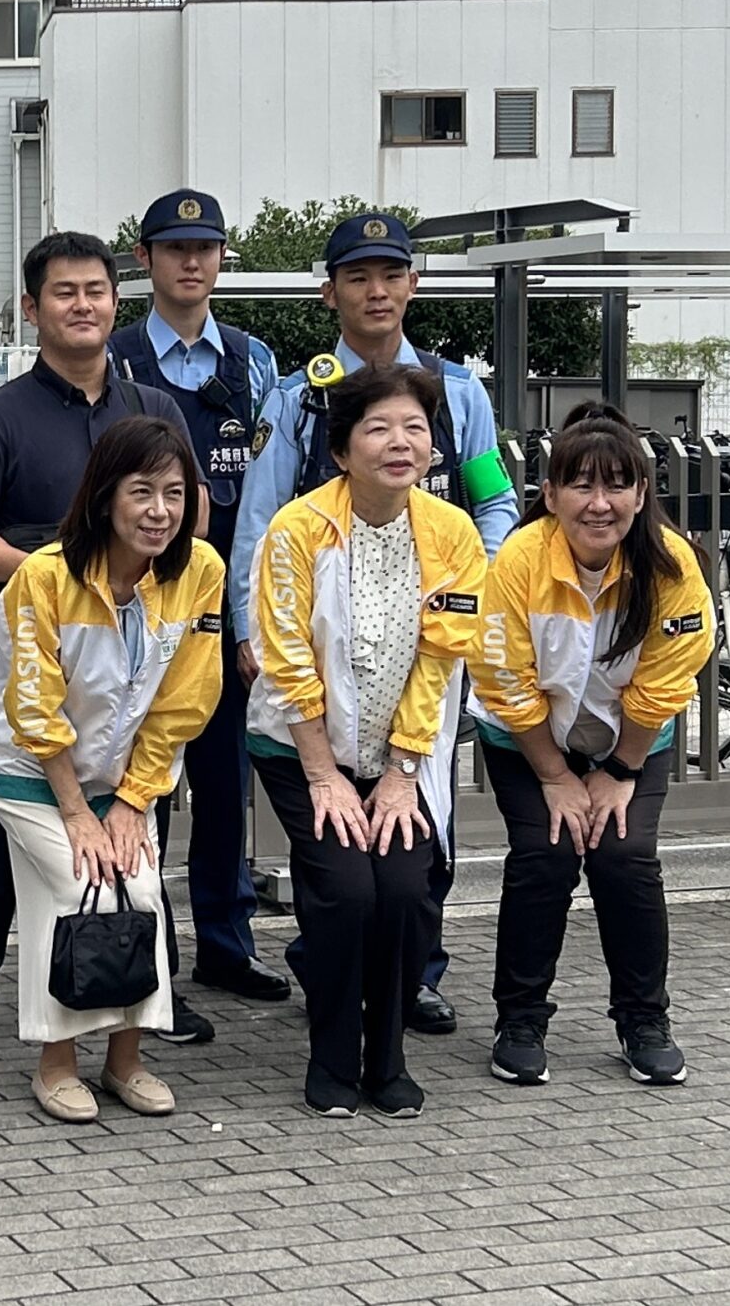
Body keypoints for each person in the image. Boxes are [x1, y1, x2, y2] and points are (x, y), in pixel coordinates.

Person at [230, 210, 519, 1037]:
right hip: (321, 641)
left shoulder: (458, 393)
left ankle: (415, 972)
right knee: (332, 828)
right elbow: (260, 522)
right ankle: (329, 961)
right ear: (332, 293)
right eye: (358, 277)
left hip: (427, 643)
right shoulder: (298, 397)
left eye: (391, 274)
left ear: (412, 286)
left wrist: (468, 579)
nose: (377, 291)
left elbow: (493, 496)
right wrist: (251, 632)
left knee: (421, 821)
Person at [0, 232, 192, 1064]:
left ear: (118, 303)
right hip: (39, 649)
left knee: (138, 826)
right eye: (65, 292)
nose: (84, 305)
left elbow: (190, 514)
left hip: (135, 648)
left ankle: (148, 995)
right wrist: (55, 580)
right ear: (34, 309)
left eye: (98, 291)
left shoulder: (154, 406)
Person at [244, 365, 487, 1119]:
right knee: (347, 891)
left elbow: (443, 655)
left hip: (401, 757)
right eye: (378, 428)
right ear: (342, 450)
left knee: (406, 893)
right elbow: (286, 662)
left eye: (415, 428)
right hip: (299, 749)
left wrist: (404, 770)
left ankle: (386, 1057)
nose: (400, 442)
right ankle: (330, 1056)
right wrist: (325, 777)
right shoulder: (296, 530)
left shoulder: (453, 532)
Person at [0, 416, 225, 1122]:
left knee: (140, 892)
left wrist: (132, 802)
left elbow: (184, 701)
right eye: (141, 492)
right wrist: (79, 813)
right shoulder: (46, 577)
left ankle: (126, 1060)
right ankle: (56, 1065)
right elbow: (33, 705)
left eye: (174, 494)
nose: (159, 512)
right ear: (105, 496)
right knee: (79, 886)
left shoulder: (200, 571)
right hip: (27, 769)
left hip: (119, 775)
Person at [465, 403, 714, 1089]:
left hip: (630, 741)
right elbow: (503, 676)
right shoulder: (519, 559)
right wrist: (554, 776)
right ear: (550, 495)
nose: (598, 504)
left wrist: (621, 770)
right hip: (525, 741)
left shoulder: (673, 567)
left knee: (624, 858)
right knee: (545, 855)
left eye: (616, 486)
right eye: (580, 485)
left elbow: (666, 678)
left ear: (641, 493)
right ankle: (519, 1020)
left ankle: (644, 1020)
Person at [105, 188, 294, 1016]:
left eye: (207, 248)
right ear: (144, 261)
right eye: (175, 248)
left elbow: (268, 495)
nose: (192, 262)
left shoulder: (255, 362)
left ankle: (226, 943)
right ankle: (145, 949)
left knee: (224, 779)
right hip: (134, 604)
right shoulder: (112, 359)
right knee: (138, 780)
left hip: (220, 605)